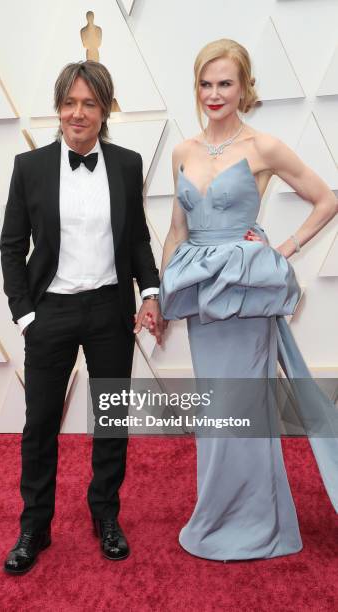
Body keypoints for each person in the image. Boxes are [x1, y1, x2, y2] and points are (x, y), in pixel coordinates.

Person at [159, 39, 338, 561]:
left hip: (245, 294)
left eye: (225, 84)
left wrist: (284, 247)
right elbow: (176, 230)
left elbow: (327, 198)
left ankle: (258, 520)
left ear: (244, 87)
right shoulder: (182, 151)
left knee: (243, 405)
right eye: (206, 84)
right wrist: (164, 296)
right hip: (202, 301)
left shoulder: (264, 147)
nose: (214, 94)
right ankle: (216, 514)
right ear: (197, 87)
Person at [0, 60, 163, 574]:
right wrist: (25, 314)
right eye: (69, 102)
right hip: (50, 311)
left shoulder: (127, 163)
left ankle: (105, 516)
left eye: (89, 103)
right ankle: (34, 527)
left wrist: (151, 291)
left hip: (110, 310)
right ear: (58, 108)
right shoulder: (29, 167)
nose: (77, 112)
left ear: (105, 109)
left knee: (111, 420)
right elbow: (11, 246)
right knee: (40, 423)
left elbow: (136, 237)